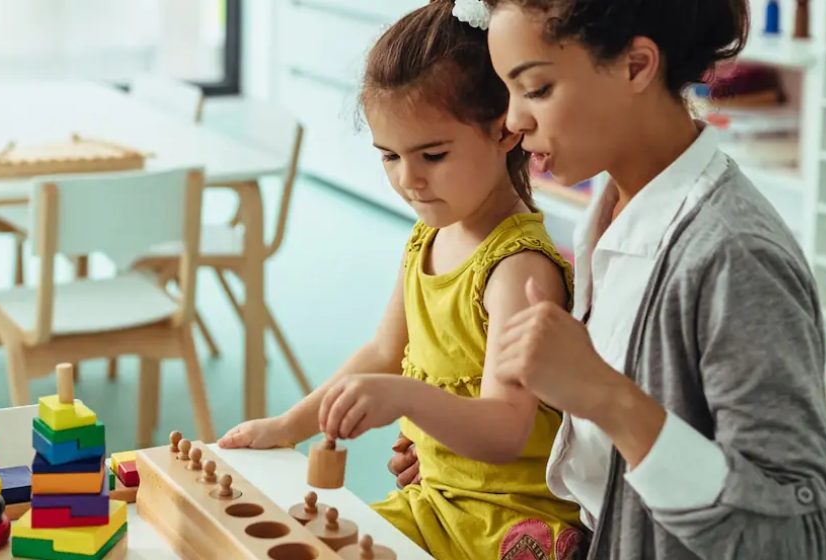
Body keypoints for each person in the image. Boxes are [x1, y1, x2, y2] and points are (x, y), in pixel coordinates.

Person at [391, 0, 826, 558]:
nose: (513, 121)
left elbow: (793, 541)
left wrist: (604, 396)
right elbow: (606, 463)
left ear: (636, 66)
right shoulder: (613, 215)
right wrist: (456, 455)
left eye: (536, 89)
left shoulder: (736, 257)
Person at [220, 1, 585, 557]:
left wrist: (408, 399)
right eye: (389, 156)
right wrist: (288, 426)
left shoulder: (517, 269)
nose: (408, 179)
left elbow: (505, 431)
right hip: (435, 501)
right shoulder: (427, 239)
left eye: (432, 155)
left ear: (504, 129)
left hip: (506, 522)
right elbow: (382, 352)